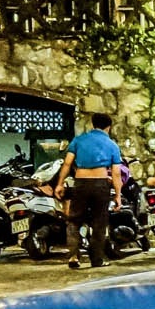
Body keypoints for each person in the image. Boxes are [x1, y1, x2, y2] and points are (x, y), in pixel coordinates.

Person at [54, 112, 123, 269]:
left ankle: (73, 255)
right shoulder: (112, 145)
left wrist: (60, 183)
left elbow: (67, 164)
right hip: (100, 184)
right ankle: (97, 259)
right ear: (108, 127)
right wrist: (118, 195)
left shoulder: (78, 140)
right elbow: (116, 173)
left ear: (93, 124)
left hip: (81, 183)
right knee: (99, 222)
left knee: (74, 220)